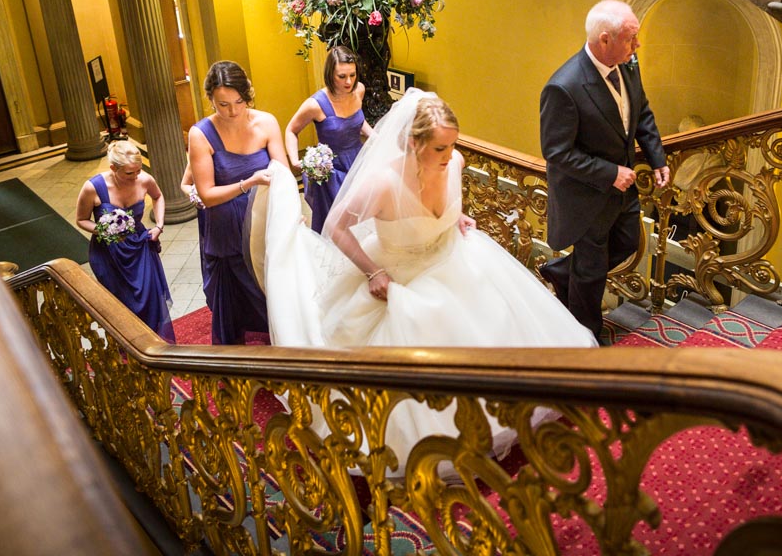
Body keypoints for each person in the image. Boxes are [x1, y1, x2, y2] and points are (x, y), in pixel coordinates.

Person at [255, 89, 596, 472]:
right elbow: (336, 227)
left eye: (452, 145)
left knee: (494, 323)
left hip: (452, 259)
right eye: (440, 148)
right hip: (403, 276)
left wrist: (455, 217)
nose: (450, 155)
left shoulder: (456, 162)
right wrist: (373, 271)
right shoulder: (384, 183)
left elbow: (448, 201)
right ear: (415, 144)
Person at [539, 0, 670, 340]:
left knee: (627, 243)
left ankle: (562, 273)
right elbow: (556, 152)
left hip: (623, 190)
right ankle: (585, 340)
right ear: (605, 40)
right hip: (587, 194)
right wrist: (610, 173)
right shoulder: (563, 86)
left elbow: (641, 112)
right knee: (592, 270)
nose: (637, 45)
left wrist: (657, 157)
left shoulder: (628, 63)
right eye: (630, 38)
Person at [188, 60, 288, 345]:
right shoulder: (200, 134)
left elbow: (282, 173)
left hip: (263, 219)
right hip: (226, 226)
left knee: (272, 290)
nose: (232, 111)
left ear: (248, 95)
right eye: (223, 105)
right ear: (210, 99)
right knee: (233, 303)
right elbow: (207, 195)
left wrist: (291, 213)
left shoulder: (266, 122)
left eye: (239, 102)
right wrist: (248, 183)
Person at [74, 139, 175, 342]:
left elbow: (158, 197)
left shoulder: (144, 179)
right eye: (130, 173)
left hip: (139, 247)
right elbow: (81, 220)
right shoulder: (92, 188)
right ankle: (129, 344)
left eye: (138, 170)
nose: (136, 176)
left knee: (150, 296)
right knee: (120, 302)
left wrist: (159, 225)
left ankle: (155, 343)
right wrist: (105, 230)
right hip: (109, 254)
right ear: (113, 168)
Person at [284, 45, 374, 232]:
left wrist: (373, 135)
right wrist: (294, 160)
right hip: (331, 171)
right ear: (330, 74)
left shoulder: (359, 90)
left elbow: (356, 120)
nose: (349, 81)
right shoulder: (315, 104)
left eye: (352, 75)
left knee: (362, 221)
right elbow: (291, 130)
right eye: (342, 76)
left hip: (357, 162)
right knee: (336, 227)